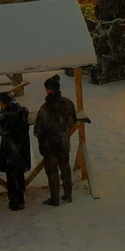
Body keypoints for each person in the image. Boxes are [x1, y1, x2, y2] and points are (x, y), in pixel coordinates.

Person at [35, 74, 79, 206]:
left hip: (49, 144)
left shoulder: (45, 108)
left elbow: (38, 129)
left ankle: (54, 198)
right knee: (65, 167)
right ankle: (68, 194)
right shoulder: (68, 103)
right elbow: (72, 120)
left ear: (48, 90)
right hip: (63, 141)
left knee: (52, 171)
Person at [0, 91, 31, 211]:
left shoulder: (2, 116)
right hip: (22, 146)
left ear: (3, 103)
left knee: (11, 176)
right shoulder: (23, 111)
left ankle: (14, 201)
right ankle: (21, 199)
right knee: (19, 173)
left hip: (9, 149)